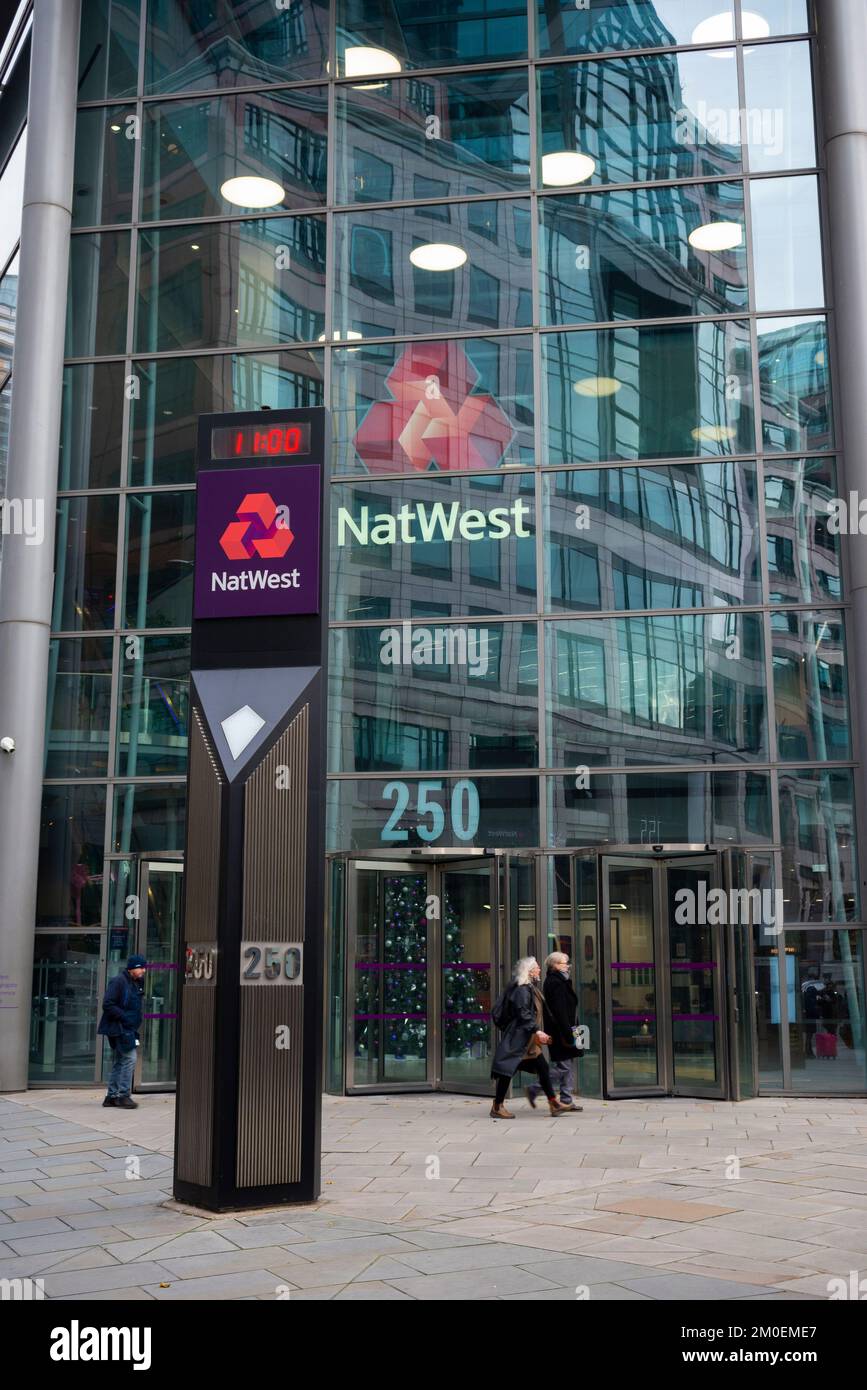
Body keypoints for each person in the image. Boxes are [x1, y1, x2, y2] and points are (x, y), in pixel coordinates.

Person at [489, 957, 568, 1119]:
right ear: (530, 971)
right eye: (537, 968)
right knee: (506, 1072)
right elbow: (523, 1013)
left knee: (543, 1068)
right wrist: (538, 1032)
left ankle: (554, 1103)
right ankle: (497, 1106)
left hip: (528, 1039)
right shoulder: (522, 989)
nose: (539, 970)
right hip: (519, 1039)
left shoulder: (530, 988)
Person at [526, 951, 583, 1113]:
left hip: (569, 1028)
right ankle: (535, 1088)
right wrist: (568, 1033)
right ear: (555, 965)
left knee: (568, 1064)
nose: (567, 965)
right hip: (562, 1030)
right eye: (564, 963)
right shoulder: (555, 982)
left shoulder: (561, 980)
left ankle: (566, 1099)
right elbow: (560, 1011)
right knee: (564, 1066)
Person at [97, 953, 146, 1109]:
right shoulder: (119, 981)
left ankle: (111, 1096)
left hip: (128, 1027)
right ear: (132, 968)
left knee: (120, 1061)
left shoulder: (137, 982)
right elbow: (108, 1004)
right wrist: (125, 1018)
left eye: (144, 968)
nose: (143, 971)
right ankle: (123, 1095)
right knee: (130, 1058)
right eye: (140, 968)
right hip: (119, 1028)